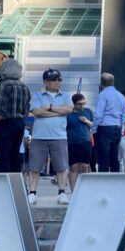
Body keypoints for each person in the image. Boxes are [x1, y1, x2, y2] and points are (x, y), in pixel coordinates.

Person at [27, 69, 73, 206]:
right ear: (46, 82)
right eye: (54, 80)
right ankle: (32, 193)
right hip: (39, 137)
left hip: (59, 137)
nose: (58, 82)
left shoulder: (65, 95)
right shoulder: (37, 95)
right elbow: (36, 111)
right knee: (34, 167)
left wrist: (50, 108)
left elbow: (69, 110)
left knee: (61, 166)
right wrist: (58, 112)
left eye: (59, 79)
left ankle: (62, 193)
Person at [0, 58, 30, 174]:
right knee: (15, 153)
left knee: (3, 154)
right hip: (19, 122)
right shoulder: (24, 87)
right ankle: (16, 180)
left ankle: (4, 180)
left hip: (5, 122)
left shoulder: (3, 85)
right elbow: (26, 109)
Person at [91, 72, 125, 173]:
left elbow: (98, 114)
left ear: (101, 84)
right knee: (114, 156)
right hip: (117, 128)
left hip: (104, 128)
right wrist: (120, 127)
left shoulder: (103, 95)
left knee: (103, 157)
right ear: (113, 82)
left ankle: (104, 180)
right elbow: (124, 115)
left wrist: (93, 129)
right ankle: (115, 179)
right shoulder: (121, 96)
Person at [66, 93, 94, 193]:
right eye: (79, 104)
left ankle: (83, 189)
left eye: (84, 103)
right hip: (72, 143)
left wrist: (86, 121)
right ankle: (73, 190)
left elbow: (94, 126)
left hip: (86, 142)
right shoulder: (69, 114)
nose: (82, 106)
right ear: (74, 104)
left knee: (85, 166)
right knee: (73, 167)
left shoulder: (88, 112)